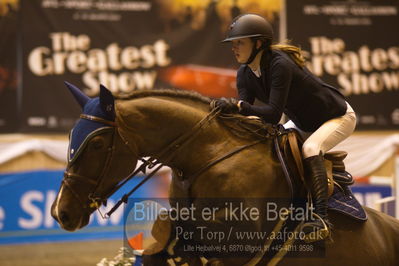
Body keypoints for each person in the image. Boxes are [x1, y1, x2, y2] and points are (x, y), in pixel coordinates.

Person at [216, 14, 357, 242]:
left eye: (240, 42)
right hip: (303, 122)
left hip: (337, 117)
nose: (234, 48)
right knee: (272, 145)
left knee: (311, 148)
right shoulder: (244, 72)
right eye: (233, 43)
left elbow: (272, 114)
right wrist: (228, 110)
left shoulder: (280, 64)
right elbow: (247, 112)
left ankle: (320, 219)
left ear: (259, 43)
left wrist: (239, 106)